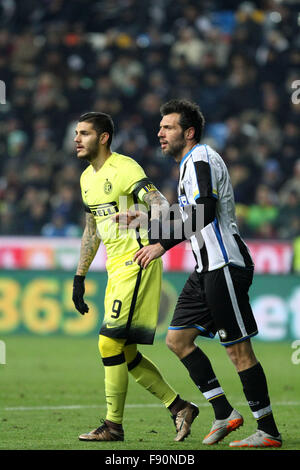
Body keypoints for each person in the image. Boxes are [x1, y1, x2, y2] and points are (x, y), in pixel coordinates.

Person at [132, 99, 282, 448]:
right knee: (177, 340)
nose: (160, 133)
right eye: (160, 127)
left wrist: (161, 245)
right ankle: (224, 412)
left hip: (224, 265)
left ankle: (268, 430)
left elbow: (205, 210)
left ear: (188, 131)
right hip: (205, 269)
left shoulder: (201, 158)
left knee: (238, 351)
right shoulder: (188, 165)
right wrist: (149, 221)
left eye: (167, 127)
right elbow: (189, 215)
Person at [71, 111, 198, 442]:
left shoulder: (125, 169)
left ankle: (113, 426)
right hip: (116, 266)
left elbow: (162, 206)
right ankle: (180, 407)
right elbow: (91, 229)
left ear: (103, 138)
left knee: (108, 341)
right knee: (124, 353)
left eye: (84, 133)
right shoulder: (87, 178)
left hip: (137, 260)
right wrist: (79, 276)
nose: (76, 139)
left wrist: (141, 214)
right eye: (76, 133)